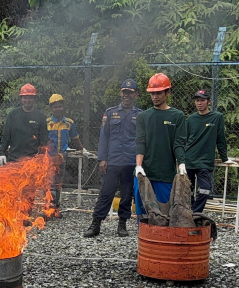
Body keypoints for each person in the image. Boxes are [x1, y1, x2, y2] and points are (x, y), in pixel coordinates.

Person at [84, 79, 142, 237]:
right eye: (124, 92)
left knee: (126, 194)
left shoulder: (141, 115)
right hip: (113, 161)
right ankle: (96, 223)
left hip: (130, 162)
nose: (127, 95)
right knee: (106, 193)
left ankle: (122, 224)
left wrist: (140, 163)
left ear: (135, 94)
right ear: (120, 93)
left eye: (130, 93)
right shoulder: (110, 113)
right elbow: (104, 137)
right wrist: (102, 158)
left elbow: (143, 140)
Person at [134, 73, 187, 215]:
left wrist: (181, 163)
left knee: (163, 212)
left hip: (165, 174)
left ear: (167, 92)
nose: (155, 97)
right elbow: (140, 142)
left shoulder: (177, 116)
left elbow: (179, 143)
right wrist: (138, 166)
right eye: (152, 93)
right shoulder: (143, 117)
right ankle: (143, 236)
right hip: (144, 174)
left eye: (158, 93)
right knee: (143, 213)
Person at [183, 89, 229, 213]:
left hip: (205, 161)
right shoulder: (191, 119)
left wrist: (225, 158)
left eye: (202, 100)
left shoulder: (217, 117)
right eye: (197, 100)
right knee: (187, 190)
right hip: (189, 159)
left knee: (205, 189)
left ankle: (196, 213)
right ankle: (189, 214)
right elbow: (185, 139)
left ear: (209, 102)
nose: (199, 103)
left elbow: (221, 139)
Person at [45, 94, 89, 217]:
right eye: (55, 107)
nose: (58, 109)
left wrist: (83, 149)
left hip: (62, 158)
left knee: (58, 183)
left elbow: (75, 138)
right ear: (51, 108)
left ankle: (56, 208)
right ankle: (47, 208)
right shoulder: (47, 123)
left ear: (63, 107)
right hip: (48, 158)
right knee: (48, 183)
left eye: (60, 106)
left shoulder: (69, 123)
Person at [0, 83, 48, 165]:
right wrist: (2, 153)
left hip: (33, 161)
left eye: (30, 98)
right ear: (21, 98)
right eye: (25, 97)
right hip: (14, 159)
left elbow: (44, 140)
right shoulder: (13, 114)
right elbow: (6, 136)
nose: (27, 100)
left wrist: (43, 157)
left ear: (34, 99)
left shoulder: (40, 116)